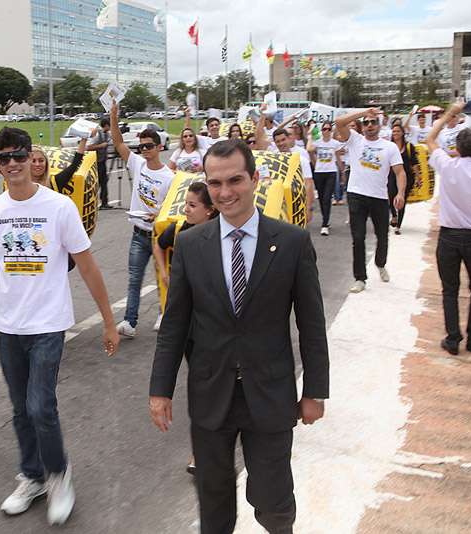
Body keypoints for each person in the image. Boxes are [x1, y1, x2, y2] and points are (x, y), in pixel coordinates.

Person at [149, 139, 329, 534]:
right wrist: (160, 388)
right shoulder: (192, 245)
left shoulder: (293, 242)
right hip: (211, 393)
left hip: (271, 392)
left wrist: (314, 391)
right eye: (215, 183)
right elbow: (175, 323)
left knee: (271, 498)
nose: (225, 192)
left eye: (235, 180)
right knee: (213, 499)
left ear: (255, 179)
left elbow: (312, 323)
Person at [0, 126, 118, 526]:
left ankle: (59, 476)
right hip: (9, 325)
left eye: (19, 155)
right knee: (20, 410)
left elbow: (88, 267)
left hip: (48, 324)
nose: (12, 164)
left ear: (31, 158)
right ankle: (32, 475)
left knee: (41, 406)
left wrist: (109, 322)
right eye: (4, 157)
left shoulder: (59, 207)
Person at [152, 181, 216, 473]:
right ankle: (200, 452)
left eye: (193, 205)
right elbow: (159, 243)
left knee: (212, 387)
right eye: (185, 204)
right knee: (201, 387)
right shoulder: (179, 231)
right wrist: (165, 271)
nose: (186, 210)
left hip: (214, 327)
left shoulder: (221, 238)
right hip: (186, 325)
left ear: (210, 210)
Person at [112, 100, 175, 337]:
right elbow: (118, 142)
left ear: (159, 147)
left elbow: (172, 208)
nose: (144, 150)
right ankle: (130, 322)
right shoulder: (137, 164)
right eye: (141, 147)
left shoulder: (169, 176)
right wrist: (114, 116)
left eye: (149, 146)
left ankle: (164, 314)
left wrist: (157, 214)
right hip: (138, 234)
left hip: (160, 236)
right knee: (134, 280)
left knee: (163, 278)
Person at [334, 107, 407, 293]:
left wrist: (400, 193)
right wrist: (364, 112)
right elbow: (339, 121)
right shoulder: (354, 140)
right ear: (362, 126)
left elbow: (400, 172)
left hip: (379, 197)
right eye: (366, 122)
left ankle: (380, 264)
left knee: (382, 235)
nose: (370, 125)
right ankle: (360, 278)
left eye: (373, 122)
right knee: (358, 238)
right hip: (357, 195)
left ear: (380, 125)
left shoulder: (389, 147)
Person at [425, 102, 471, 356]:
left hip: (449, 236)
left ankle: (453, 338)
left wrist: (449, 114)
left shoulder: (447, 165)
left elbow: (430, 138)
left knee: (450, 289)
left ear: (457, 148)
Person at [254, 104, 315, 222]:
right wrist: (262, 115)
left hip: (294, 203)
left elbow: (308, 184)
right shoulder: (272, 154)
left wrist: (309, 208)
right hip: (274, 204)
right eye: (277, 141)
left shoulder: (301, 159)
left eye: (283, 140)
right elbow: (259, 137)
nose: (281, 143)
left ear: (289, 139)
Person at [306, 120, 343, 235]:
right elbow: (308, 149)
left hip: (331, 172)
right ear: (321, 131)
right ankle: (326, 217)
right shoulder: (317, 143)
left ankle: (325, 224)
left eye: (328, 129)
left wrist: (342, 174)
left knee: (327, 198)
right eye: (324, 129)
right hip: (319, 172)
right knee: (322, 198)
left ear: (331, 131)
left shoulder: (335, 143)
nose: (326, 131)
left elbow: (338, 159)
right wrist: (311, 135)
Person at [388, 123, 420, 235]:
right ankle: (394, 215)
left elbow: (414, 163)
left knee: (402, 200)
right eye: (394, 131)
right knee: (392, 197)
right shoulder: (389, 145)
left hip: (407, 176)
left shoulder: (409, 146)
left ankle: (398, 226)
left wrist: (418, 178)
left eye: (398, 131)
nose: (395, 133)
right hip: (391, 176)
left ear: (402, 133)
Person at [86, 118, 114, 209]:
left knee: (104, 181)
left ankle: (104, 202)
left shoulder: (107, 134)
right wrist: (100, 146)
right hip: (96, 161)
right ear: (106, 125)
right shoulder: (97, 134)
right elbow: (88, 147)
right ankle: (92, 202)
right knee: (96, 183)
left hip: (102, 160)